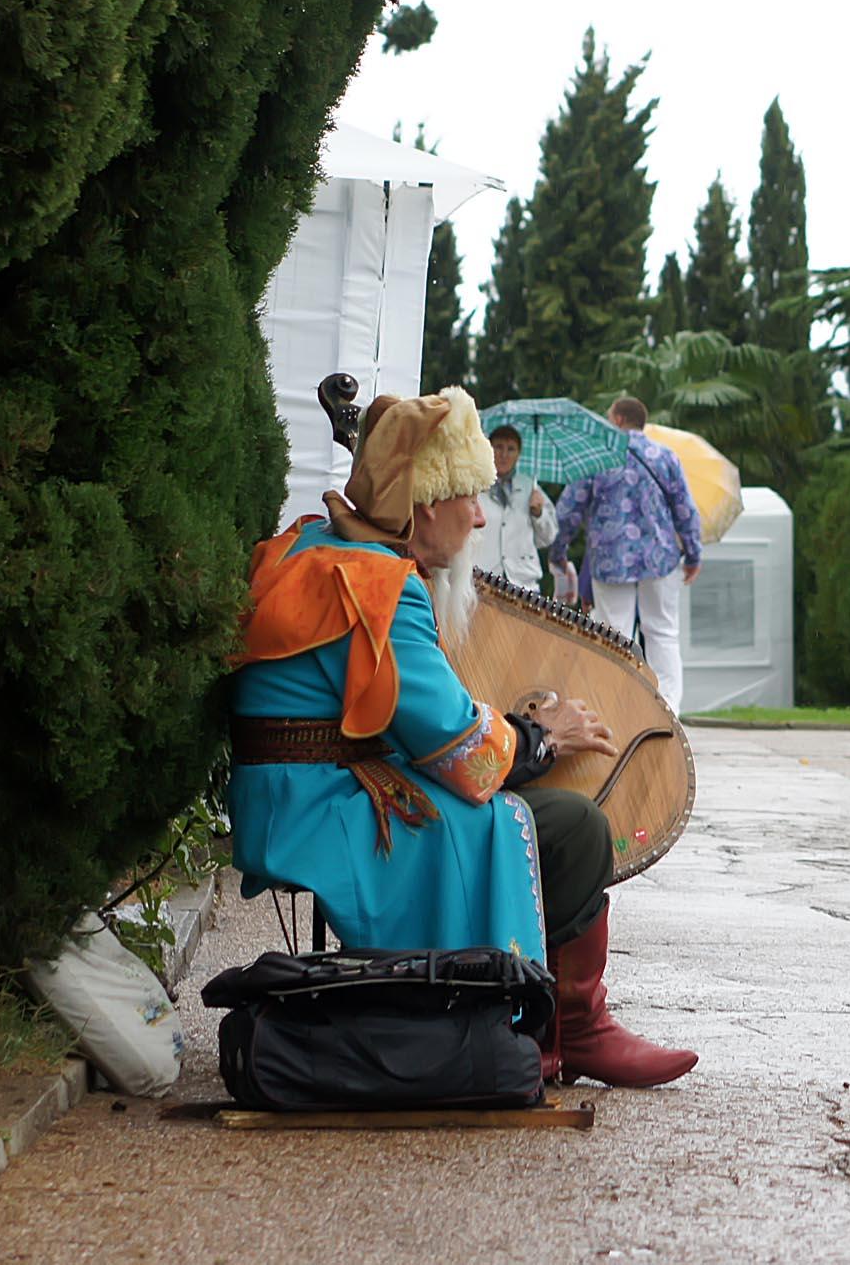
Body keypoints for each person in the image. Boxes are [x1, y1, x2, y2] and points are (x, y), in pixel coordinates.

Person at [226, 386, 696, 1088]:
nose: (481, 514)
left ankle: (565, 1023)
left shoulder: (321, 546)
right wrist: (542, 733)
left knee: (544, 819)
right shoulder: (379, 584)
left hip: (294, 797)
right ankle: (544, 1022)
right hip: (322, 816)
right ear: (423, 506)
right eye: (470, 496)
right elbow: (467, 756)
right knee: (570, 826)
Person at [549, 397, 702, 711]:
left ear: (618, 419)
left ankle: (613, 708)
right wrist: (693, 555)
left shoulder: (597, 456)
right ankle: (668, 710)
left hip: (611, 559)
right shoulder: (665, 456)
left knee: (613, 633)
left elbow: (568, 511)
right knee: (662, 632)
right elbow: (685, 509)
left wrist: (558, 551)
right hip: (660, 559)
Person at [473, 423, 557, 591]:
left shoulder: (530, 487)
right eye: (498, 447)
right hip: (481, 578)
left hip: (523, 582)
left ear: (518, 454)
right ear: (488, 448)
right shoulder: (475, 485)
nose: (504, 455)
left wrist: (538, 513)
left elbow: (548, 538)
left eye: (511, 449)